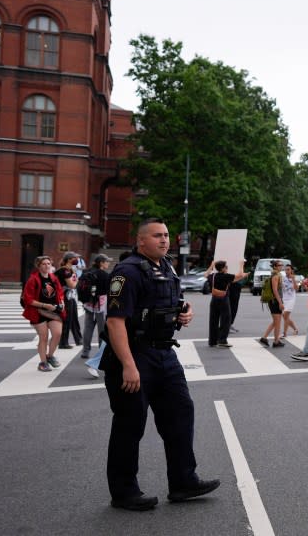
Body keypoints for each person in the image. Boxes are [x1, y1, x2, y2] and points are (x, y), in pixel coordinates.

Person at [102, 218, 219, 511]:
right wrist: (129, 365)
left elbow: (174, 301)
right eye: (157, 236)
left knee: (181, 413)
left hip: (165, 354)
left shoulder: (166, 267)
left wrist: (185, 311)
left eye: (166, 235)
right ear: (141, 241)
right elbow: (115, 322)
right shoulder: (126, 272)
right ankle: (124, 491)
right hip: (134, 355)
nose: (165, 240)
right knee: (130, 425)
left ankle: (183, 481)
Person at [22, 255, 66, 372]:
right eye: (44, 264)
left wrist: (61, 302)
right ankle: (43, 362)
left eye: (48, 264)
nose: (47, 266)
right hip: (37, 311)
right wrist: (44, 305)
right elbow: (28, 299)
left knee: (57, 333)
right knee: (44, 337)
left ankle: (50, 356)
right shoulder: (33, 279)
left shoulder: (53, 278)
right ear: (38, 266)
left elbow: (60, 292)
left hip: (53, 310)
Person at [205, 260, 248, 348]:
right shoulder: (226, 276)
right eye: (226, 267)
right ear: (223, 268)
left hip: (214, 299)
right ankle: (222, 340)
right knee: (226, 320)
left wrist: (211, 265)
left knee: (213, 320)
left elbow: (205, 274)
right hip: (223, 299)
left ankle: (212, 341)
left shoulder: (213, 276)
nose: (227, 268)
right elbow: (239, 275)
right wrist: (241, 265)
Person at [81, 254, 112, 359]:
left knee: (88, 328)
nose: (108, 263)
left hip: (88, 303)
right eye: (107, 261)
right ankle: (101, 351)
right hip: (101, 304)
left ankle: (85, 351)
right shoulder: (105, 275)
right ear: (101, 263)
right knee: (102, 329)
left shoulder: (86, 272)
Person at [56, 251, 82, 349]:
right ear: (70, 259)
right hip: (65, 297)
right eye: (75, 258)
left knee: (73, 318)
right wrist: (77, 280)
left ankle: (78, 339)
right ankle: (63, 342)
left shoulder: (70, 269)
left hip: (70, 296)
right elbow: (71, 285)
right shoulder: (65, 270)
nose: (77, 260)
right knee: (66, 320)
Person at [259, 259, 285, 347]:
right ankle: (276, 341)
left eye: (282, 265)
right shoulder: (275, 276)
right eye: (279, 265)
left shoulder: (277, 275)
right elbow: (275, 290)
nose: (281, 266)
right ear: (275, 266)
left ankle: (266, 338)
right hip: (275, 301)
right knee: (277, 322)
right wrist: (280, 302)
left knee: (276, 322)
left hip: (275, 300)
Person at [279, 264, 300, 339]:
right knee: (285, 317)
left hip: (291, 299)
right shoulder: (283, 278)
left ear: (291, 270)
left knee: (285, 315)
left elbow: (297, 289)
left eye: (288, 269)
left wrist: (293, 279)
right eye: (285, 269)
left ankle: (284, 333)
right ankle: (295, 329)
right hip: (284, 299)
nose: (286, 271)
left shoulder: (294, 278)